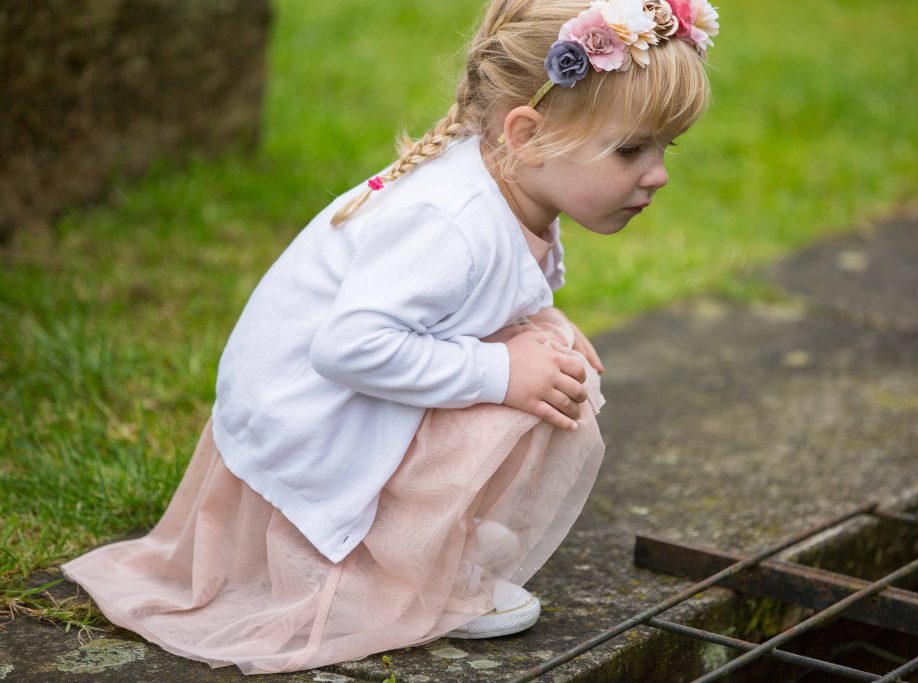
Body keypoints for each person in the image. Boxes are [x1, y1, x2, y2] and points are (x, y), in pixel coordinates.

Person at [59, 0, 717, 675]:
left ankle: (428, 546)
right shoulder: (448, 222)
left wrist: (535, 324)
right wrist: (503, 372)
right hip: (312, 423)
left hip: (340, 399)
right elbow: (350, 346)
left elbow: (472, 298)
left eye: (666, 147)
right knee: (531, 392)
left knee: (551, 357)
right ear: (526, 133)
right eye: (632, 148)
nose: (658, 172)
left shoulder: (505, 185)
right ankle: (396, 571)